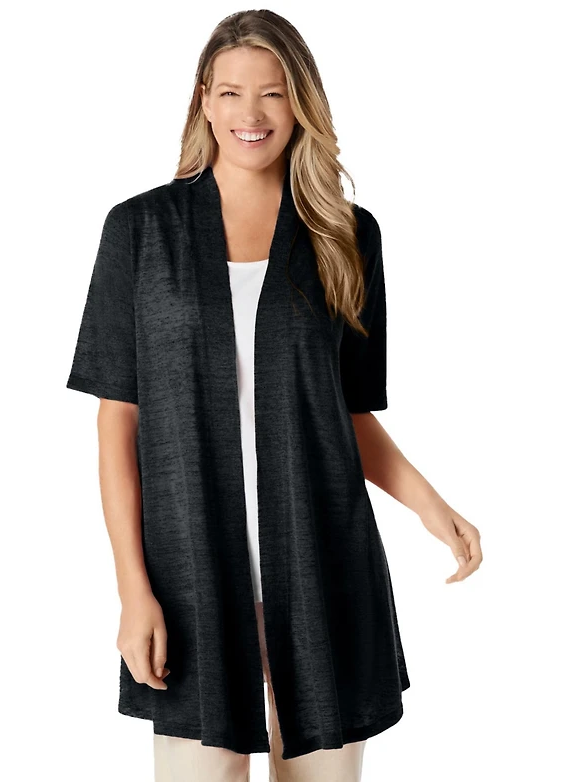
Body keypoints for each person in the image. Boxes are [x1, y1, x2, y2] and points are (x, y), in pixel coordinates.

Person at [66, 9, 483, 782]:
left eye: (273, 93)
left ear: (301, 103)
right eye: (230, 92)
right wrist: (133, 590)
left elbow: (347, 412)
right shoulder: (140, 230)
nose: (249, 114)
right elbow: (117, 422)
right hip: (189, 579)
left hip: (325, 565)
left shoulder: (347, 234)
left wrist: (431, 505)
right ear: (203, 100)